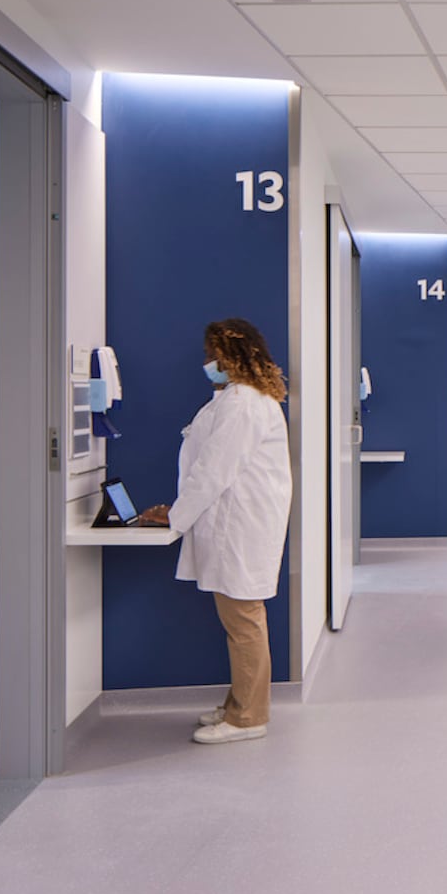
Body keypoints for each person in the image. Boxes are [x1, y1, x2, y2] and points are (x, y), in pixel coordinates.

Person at [140, 319, 292, 745]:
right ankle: (237, 705)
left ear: (230, 355)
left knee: (244, 621)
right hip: (235, 523)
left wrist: (174, 516)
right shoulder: (235, 398)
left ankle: (248, 718)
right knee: (240, 620)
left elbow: (213, 471)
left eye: (213, 353)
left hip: (239, 527)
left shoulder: (243, 401)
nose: (208, 361)